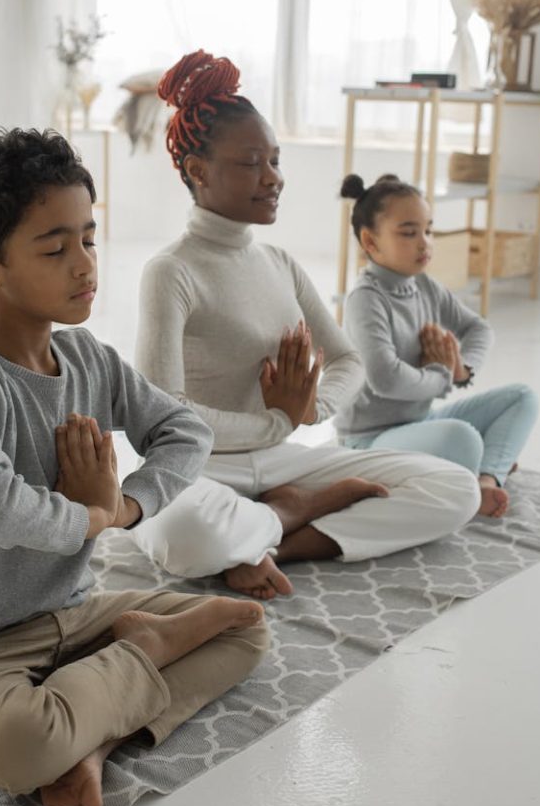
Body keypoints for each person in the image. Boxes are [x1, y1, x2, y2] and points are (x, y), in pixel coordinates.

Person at [0, 127, 267, 806]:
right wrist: (86, 518)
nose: (85, 265)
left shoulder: (89, 357)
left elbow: (187, 432)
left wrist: (123, 508)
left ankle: (99, 739)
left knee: (248, 637)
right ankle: (132, 667)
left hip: (73, 616)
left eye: (89, 238)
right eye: (56, 249)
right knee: (19, 744)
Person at [133, 51, 481, 600]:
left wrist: (309, 411)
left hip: (282, 463)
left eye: (275, 160)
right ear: (198, 171)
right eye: (252, 164)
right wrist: (276, 421)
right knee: (184, 536)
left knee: (456, 488)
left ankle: (274, 542)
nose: (273, 178)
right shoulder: (170, 272)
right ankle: (286, 514)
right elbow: (161, 419)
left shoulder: (279, 263)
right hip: (199, 472)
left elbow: (350, 361)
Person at [335, 172, 538, 518]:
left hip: (420, 420)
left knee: (522, 397)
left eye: (428, 230)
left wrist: (462, 369)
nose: (424, 242)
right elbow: (386, 378)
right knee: (462, 438)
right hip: (368, 441)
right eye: (409, 233)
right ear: (370, 242)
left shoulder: (425, 286)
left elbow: (479, 328)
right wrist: (442, 376)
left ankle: (487, 479)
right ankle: (485, 463)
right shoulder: (365, 300)